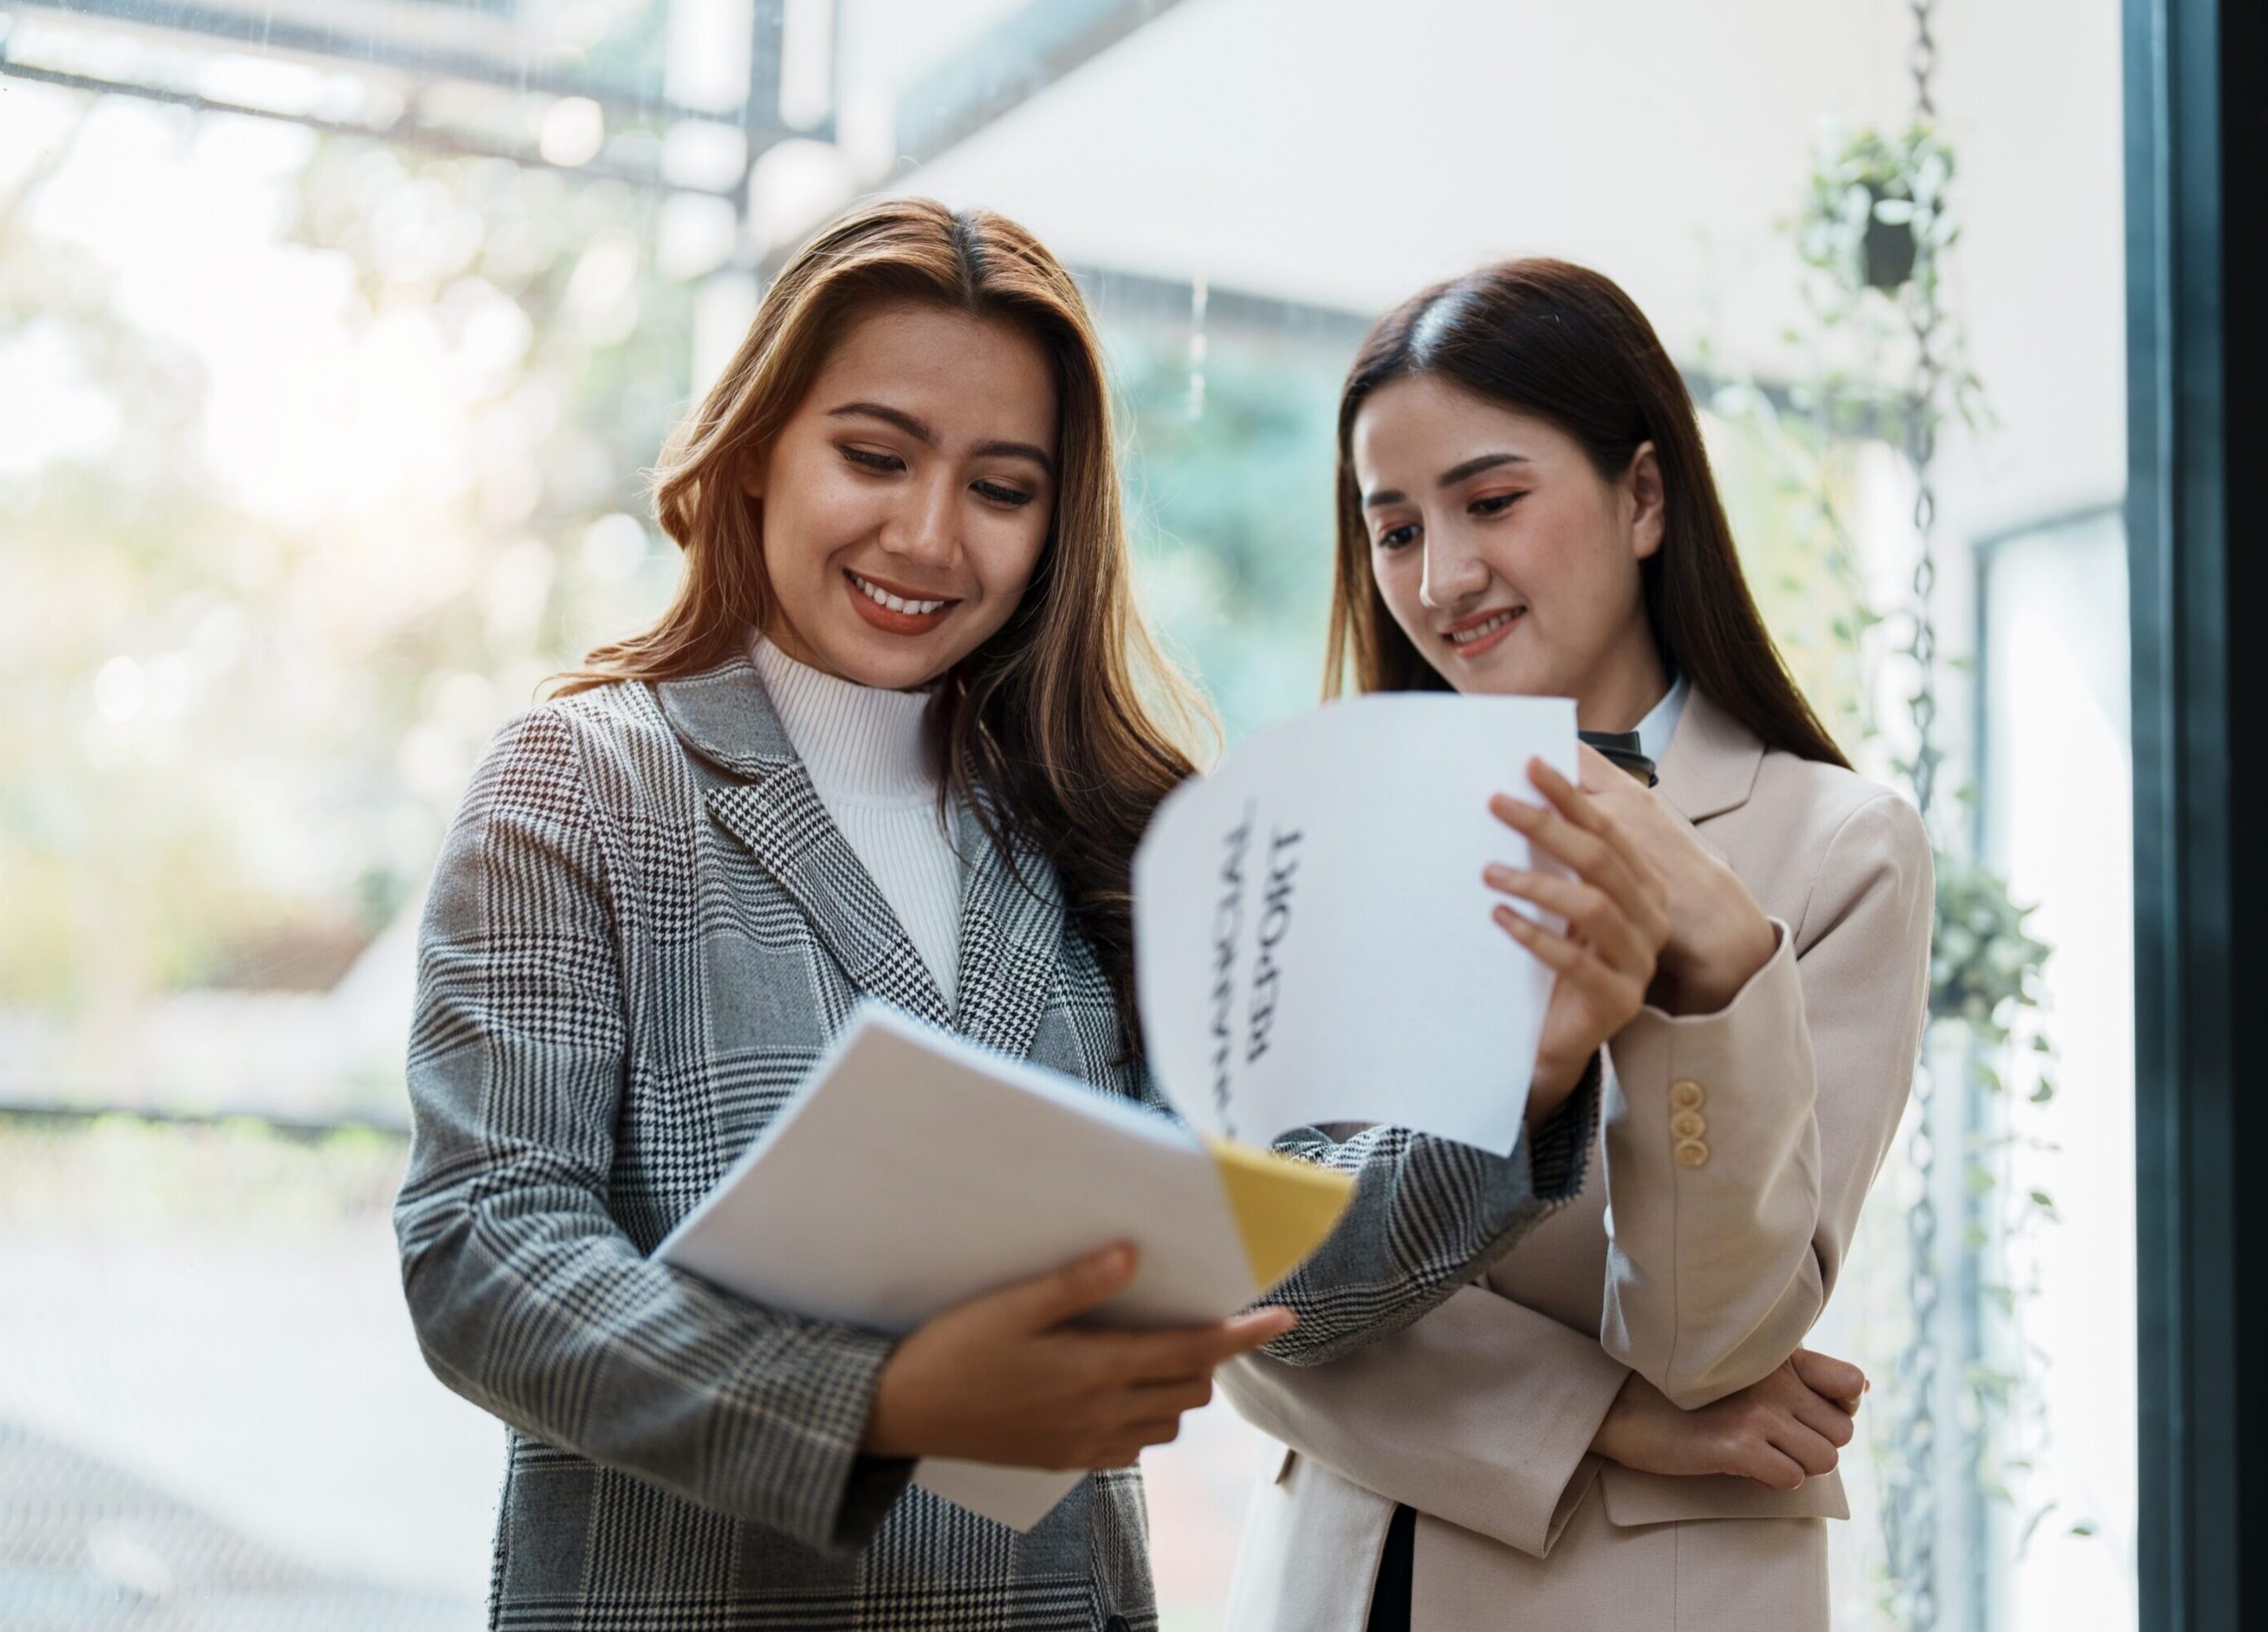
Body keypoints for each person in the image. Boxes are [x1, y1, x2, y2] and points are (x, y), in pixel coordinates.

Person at [393, 203, 1647, 1632]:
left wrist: (1524, 1076)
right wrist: (873, 1403)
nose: (929, 537)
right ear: (753, 458)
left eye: (1002, 488)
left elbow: (1261, 1264)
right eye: (872, 457)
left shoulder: (1106, 826)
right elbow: (484, 1247)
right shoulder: (586, 785)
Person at [1220, 258, 1936, 1632]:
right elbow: (1238, 1300)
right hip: (1330, 1585)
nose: (1444, 577)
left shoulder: (1840, 846)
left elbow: (1715, 1339)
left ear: (1645, 497)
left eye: (1491, 502)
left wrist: (1715, 969)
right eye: (1395, 529)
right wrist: (1593, 1416)